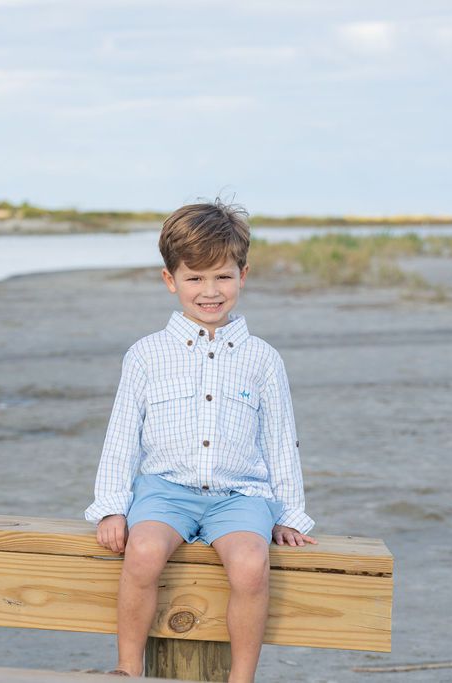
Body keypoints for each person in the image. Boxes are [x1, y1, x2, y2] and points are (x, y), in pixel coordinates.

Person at [84, 200, 316, 682]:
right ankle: (127, 669)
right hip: (165, 491)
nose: (210, 292)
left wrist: (290, 514)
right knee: (143, 552)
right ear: (171, 281)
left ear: (243, 276)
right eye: (195, 278)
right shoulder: (147, 355)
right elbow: (122, 434)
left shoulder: (263, 360)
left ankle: (241, 677)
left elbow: (280, 442)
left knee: (252, 565)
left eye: (223, 277)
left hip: (238, 496)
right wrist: (110, 506)